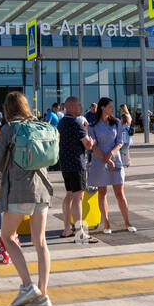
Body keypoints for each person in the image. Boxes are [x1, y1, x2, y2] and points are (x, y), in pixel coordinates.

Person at [0, 90, 54, 306]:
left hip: (19, 190)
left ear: (8, 110)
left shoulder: (10, 129)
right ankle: (43, 295)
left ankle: (28, 286)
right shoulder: (38, 126)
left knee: (8, 237)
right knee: (41, 242)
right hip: (42, 191)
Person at [89, 97, 134, 233]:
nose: (112, 109)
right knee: (102, 193)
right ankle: (106, 224)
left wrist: (111, 154)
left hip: (115, 159)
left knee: (119, 192)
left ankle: (127, 222)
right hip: (99, 160)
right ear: (102, 108)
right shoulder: (93, 126)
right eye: (110, 106)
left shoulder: (117, 123)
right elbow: (93, 146)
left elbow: (119, 142)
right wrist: (105, 158)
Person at [56, 96, 97, 242]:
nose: (81, 107)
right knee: (78, 198)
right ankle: (80, 232)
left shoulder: (61, 123)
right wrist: (90, 139)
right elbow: (88, 145)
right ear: (71, 107)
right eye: (79, 105)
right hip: (77, 163)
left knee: (69, 196)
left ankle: (67, 229)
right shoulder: (76, 123)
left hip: (65, 163)